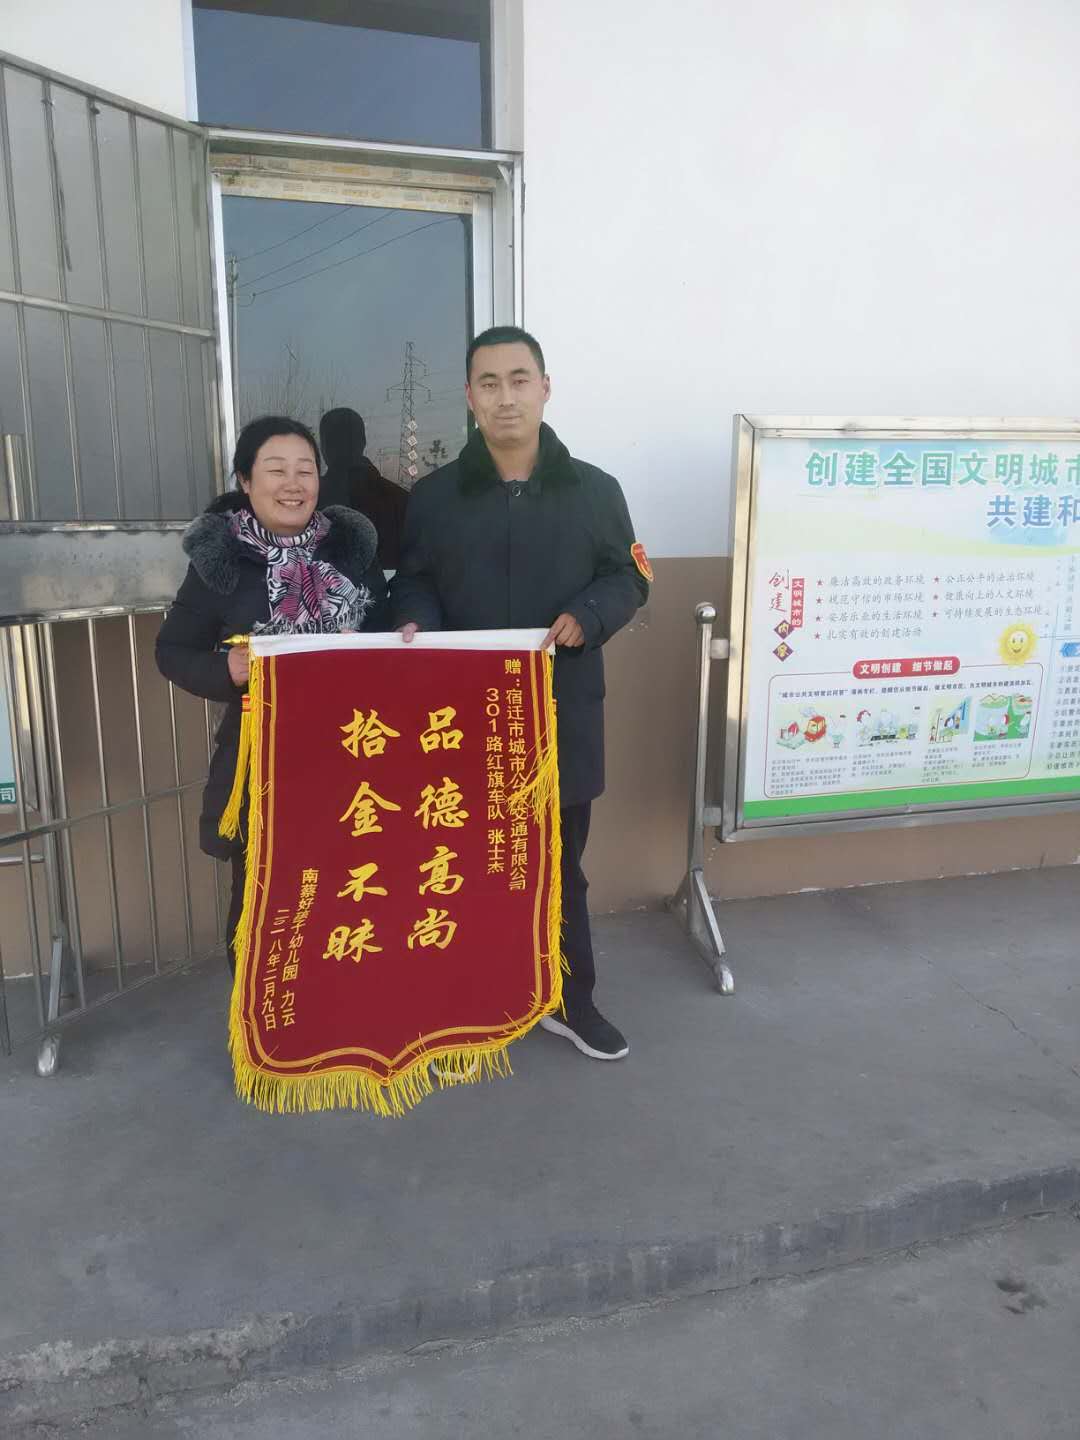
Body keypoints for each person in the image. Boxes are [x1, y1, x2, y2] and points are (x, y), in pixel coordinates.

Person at [390, 326, 650, 1061]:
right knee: (458, 861)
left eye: (518, 379)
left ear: (544, 388)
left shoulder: (595, 490)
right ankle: (465, 997)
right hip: (460, 719)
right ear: (470, 398)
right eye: (489, 383)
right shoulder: (435, 497)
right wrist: (417, 621)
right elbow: (414, 580)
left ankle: (570, 1000)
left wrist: (589, 615)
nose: (505, 397)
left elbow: (629, 575)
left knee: (558, 866)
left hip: (559, 711)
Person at [156, 415, 388, 970]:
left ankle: (344, 1009)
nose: (293, 484)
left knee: (354, 894)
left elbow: (385, 627)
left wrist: (383, 641)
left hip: (357, 755)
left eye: (305, 470)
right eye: (276, 470)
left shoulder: (350, 550)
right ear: (245, 480)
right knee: (266, 906)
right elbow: (173, 651)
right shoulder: (221, 562)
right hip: (264, 764)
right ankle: (266, 1017)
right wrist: (228, 668)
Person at [318, 406, 408, 569]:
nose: (339, 448)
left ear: (324, 447)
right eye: (334, 441)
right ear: (363, 442)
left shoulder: (307, 502)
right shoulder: (400, 500)